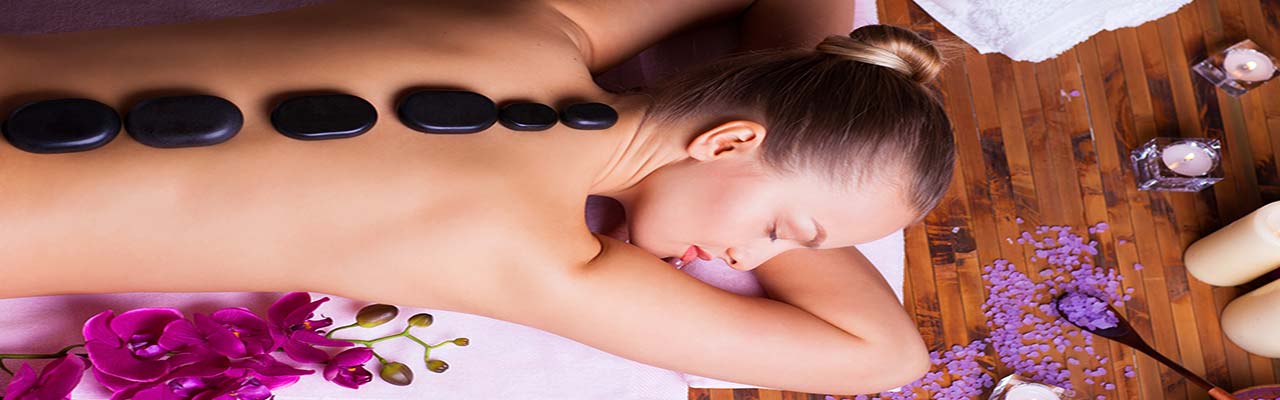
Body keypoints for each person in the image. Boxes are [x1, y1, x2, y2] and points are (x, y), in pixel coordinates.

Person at [0, 0, 954, 394]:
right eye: (787, 229)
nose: (751, 260)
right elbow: (880, 357)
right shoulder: (536, 258)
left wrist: (818, 93)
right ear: (731, 141)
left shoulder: (535, 28)